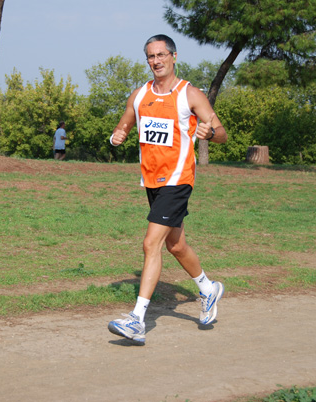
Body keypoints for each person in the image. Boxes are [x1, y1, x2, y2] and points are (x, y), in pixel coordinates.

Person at [107, 34, 228, 345]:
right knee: (175, 246)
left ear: (174, 56)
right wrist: (117, 136)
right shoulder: (139, 95)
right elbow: (124, 125)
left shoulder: (189, 94)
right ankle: (207, 289)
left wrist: (209, 131)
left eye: (161, 54)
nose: (156, 61)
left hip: (179, 178)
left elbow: (222, 134)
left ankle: (137, 320)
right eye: (151, 56)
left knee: (151, 244)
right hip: (151, 180)